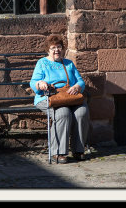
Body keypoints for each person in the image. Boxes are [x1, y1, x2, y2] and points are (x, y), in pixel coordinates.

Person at [30, 34, 90, 164]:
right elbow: (33, 82)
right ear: (48, 50)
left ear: (62, 49)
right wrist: (41, 84)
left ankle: (78, 150)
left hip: (69, 97)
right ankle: (58, 152)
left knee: (82, 112)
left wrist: (77, 87)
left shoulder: (68, 63)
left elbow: (80, 81)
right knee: (63, 113)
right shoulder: (42, 63)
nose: (56, 50)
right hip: (49, 97)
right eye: (53, 48)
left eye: (59, 47)